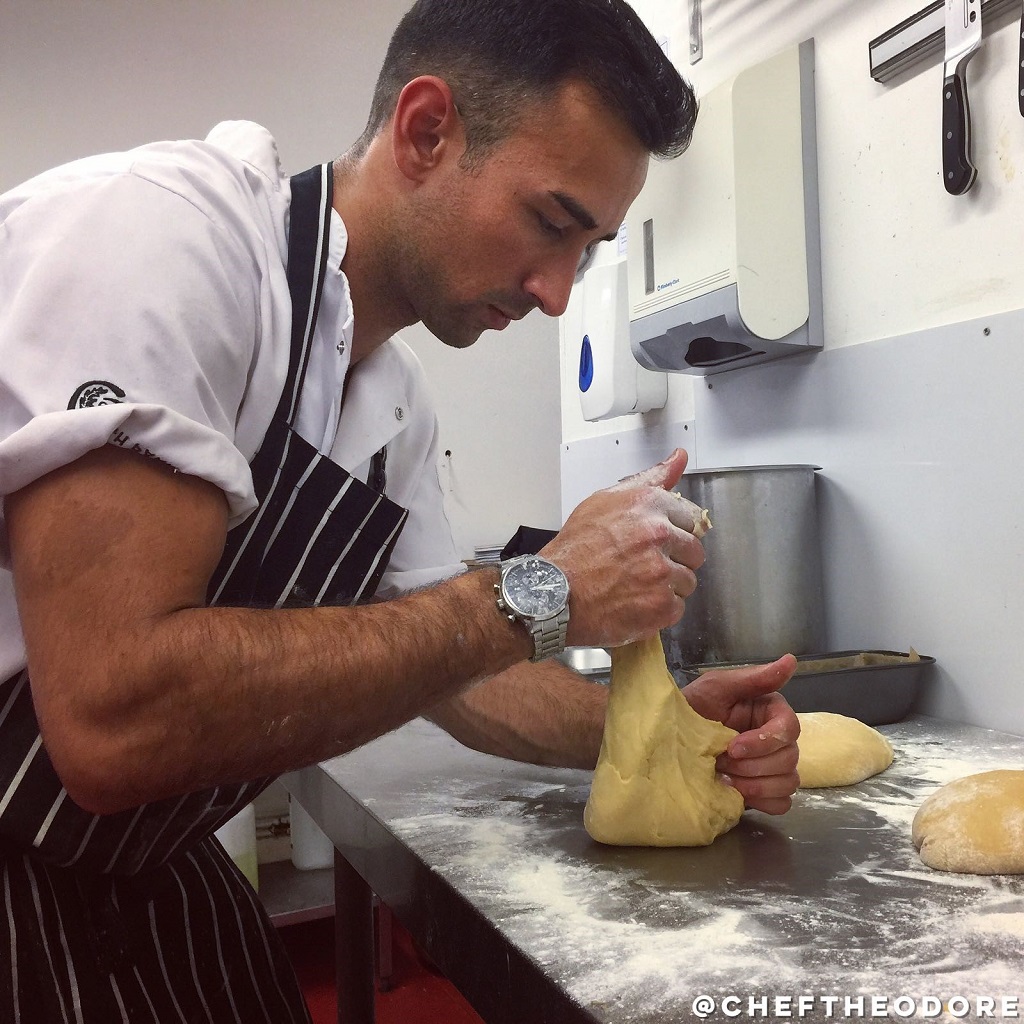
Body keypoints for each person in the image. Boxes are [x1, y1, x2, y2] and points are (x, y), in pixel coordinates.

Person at [0, 0, 800, 1019]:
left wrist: (657, 732)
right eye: (551, 221)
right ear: (427, 132)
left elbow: (467, 682)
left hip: (146, 871)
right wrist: (538, 589)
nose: (558, 292)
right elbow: (111, 719)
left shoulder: (394, 407)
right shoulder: (164, 240)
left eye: (589, 249)